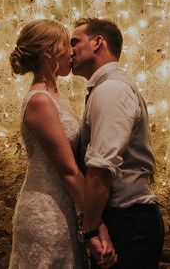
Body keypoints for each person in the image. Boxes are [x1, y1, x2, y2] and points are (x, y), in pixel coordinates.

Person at [8, 19, 117, 269]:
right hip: (46, 212)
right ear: (48, 52)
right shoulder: (40, 101)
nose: (72, 51)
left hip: (65, 208)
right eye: (66, 44)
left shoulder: (56, 97)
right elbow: (68, 170)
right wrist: (96, 224)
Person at [71, 18, 164, 268]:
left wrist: (89, 231)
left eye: (75, 41)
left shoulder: (111, 90)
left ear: (98, 42)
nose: (70, 50)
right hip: (125, 219)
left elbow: (101, 169)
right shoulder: (106, 87)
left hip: (128, 222)